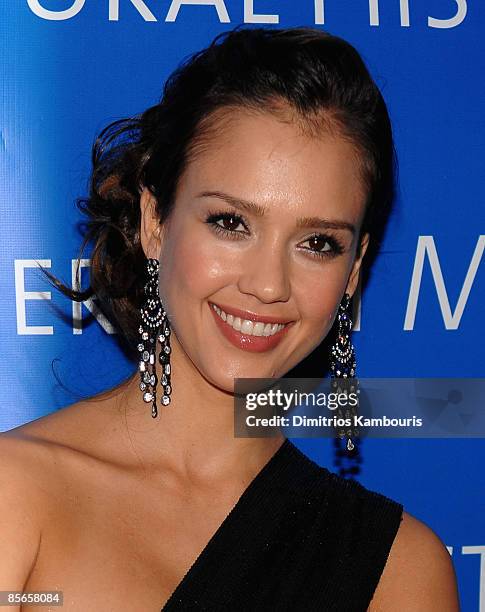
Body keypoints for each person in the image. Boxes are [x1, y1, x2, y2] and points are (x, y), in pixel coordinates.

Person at [0, 26, 459, 611]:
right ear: (154, 221)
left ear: (354, 267)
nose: (268, 285)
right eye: (230, 223)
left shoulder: (400, 571)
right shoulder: (15, 497)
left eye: (318, 242)